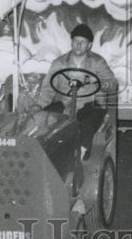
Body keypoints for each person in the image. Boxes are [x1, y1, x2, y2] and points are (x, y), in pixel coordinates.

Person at [36, 24, 118, 158]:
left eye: (83, 42)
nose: (78, 45)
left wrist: (99, 82)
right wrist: (39, 106)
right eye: (75, 41)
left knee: (86, 124)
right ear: (71, 42)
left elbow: (112, 84)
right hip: (65, 103)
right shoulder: (59, 63)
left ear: (89, 45)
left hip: (91, 104)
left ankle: (81, 156)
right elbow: (47, 88)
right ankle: (46, 156)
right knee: (45, 119)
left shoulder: (98, 62)